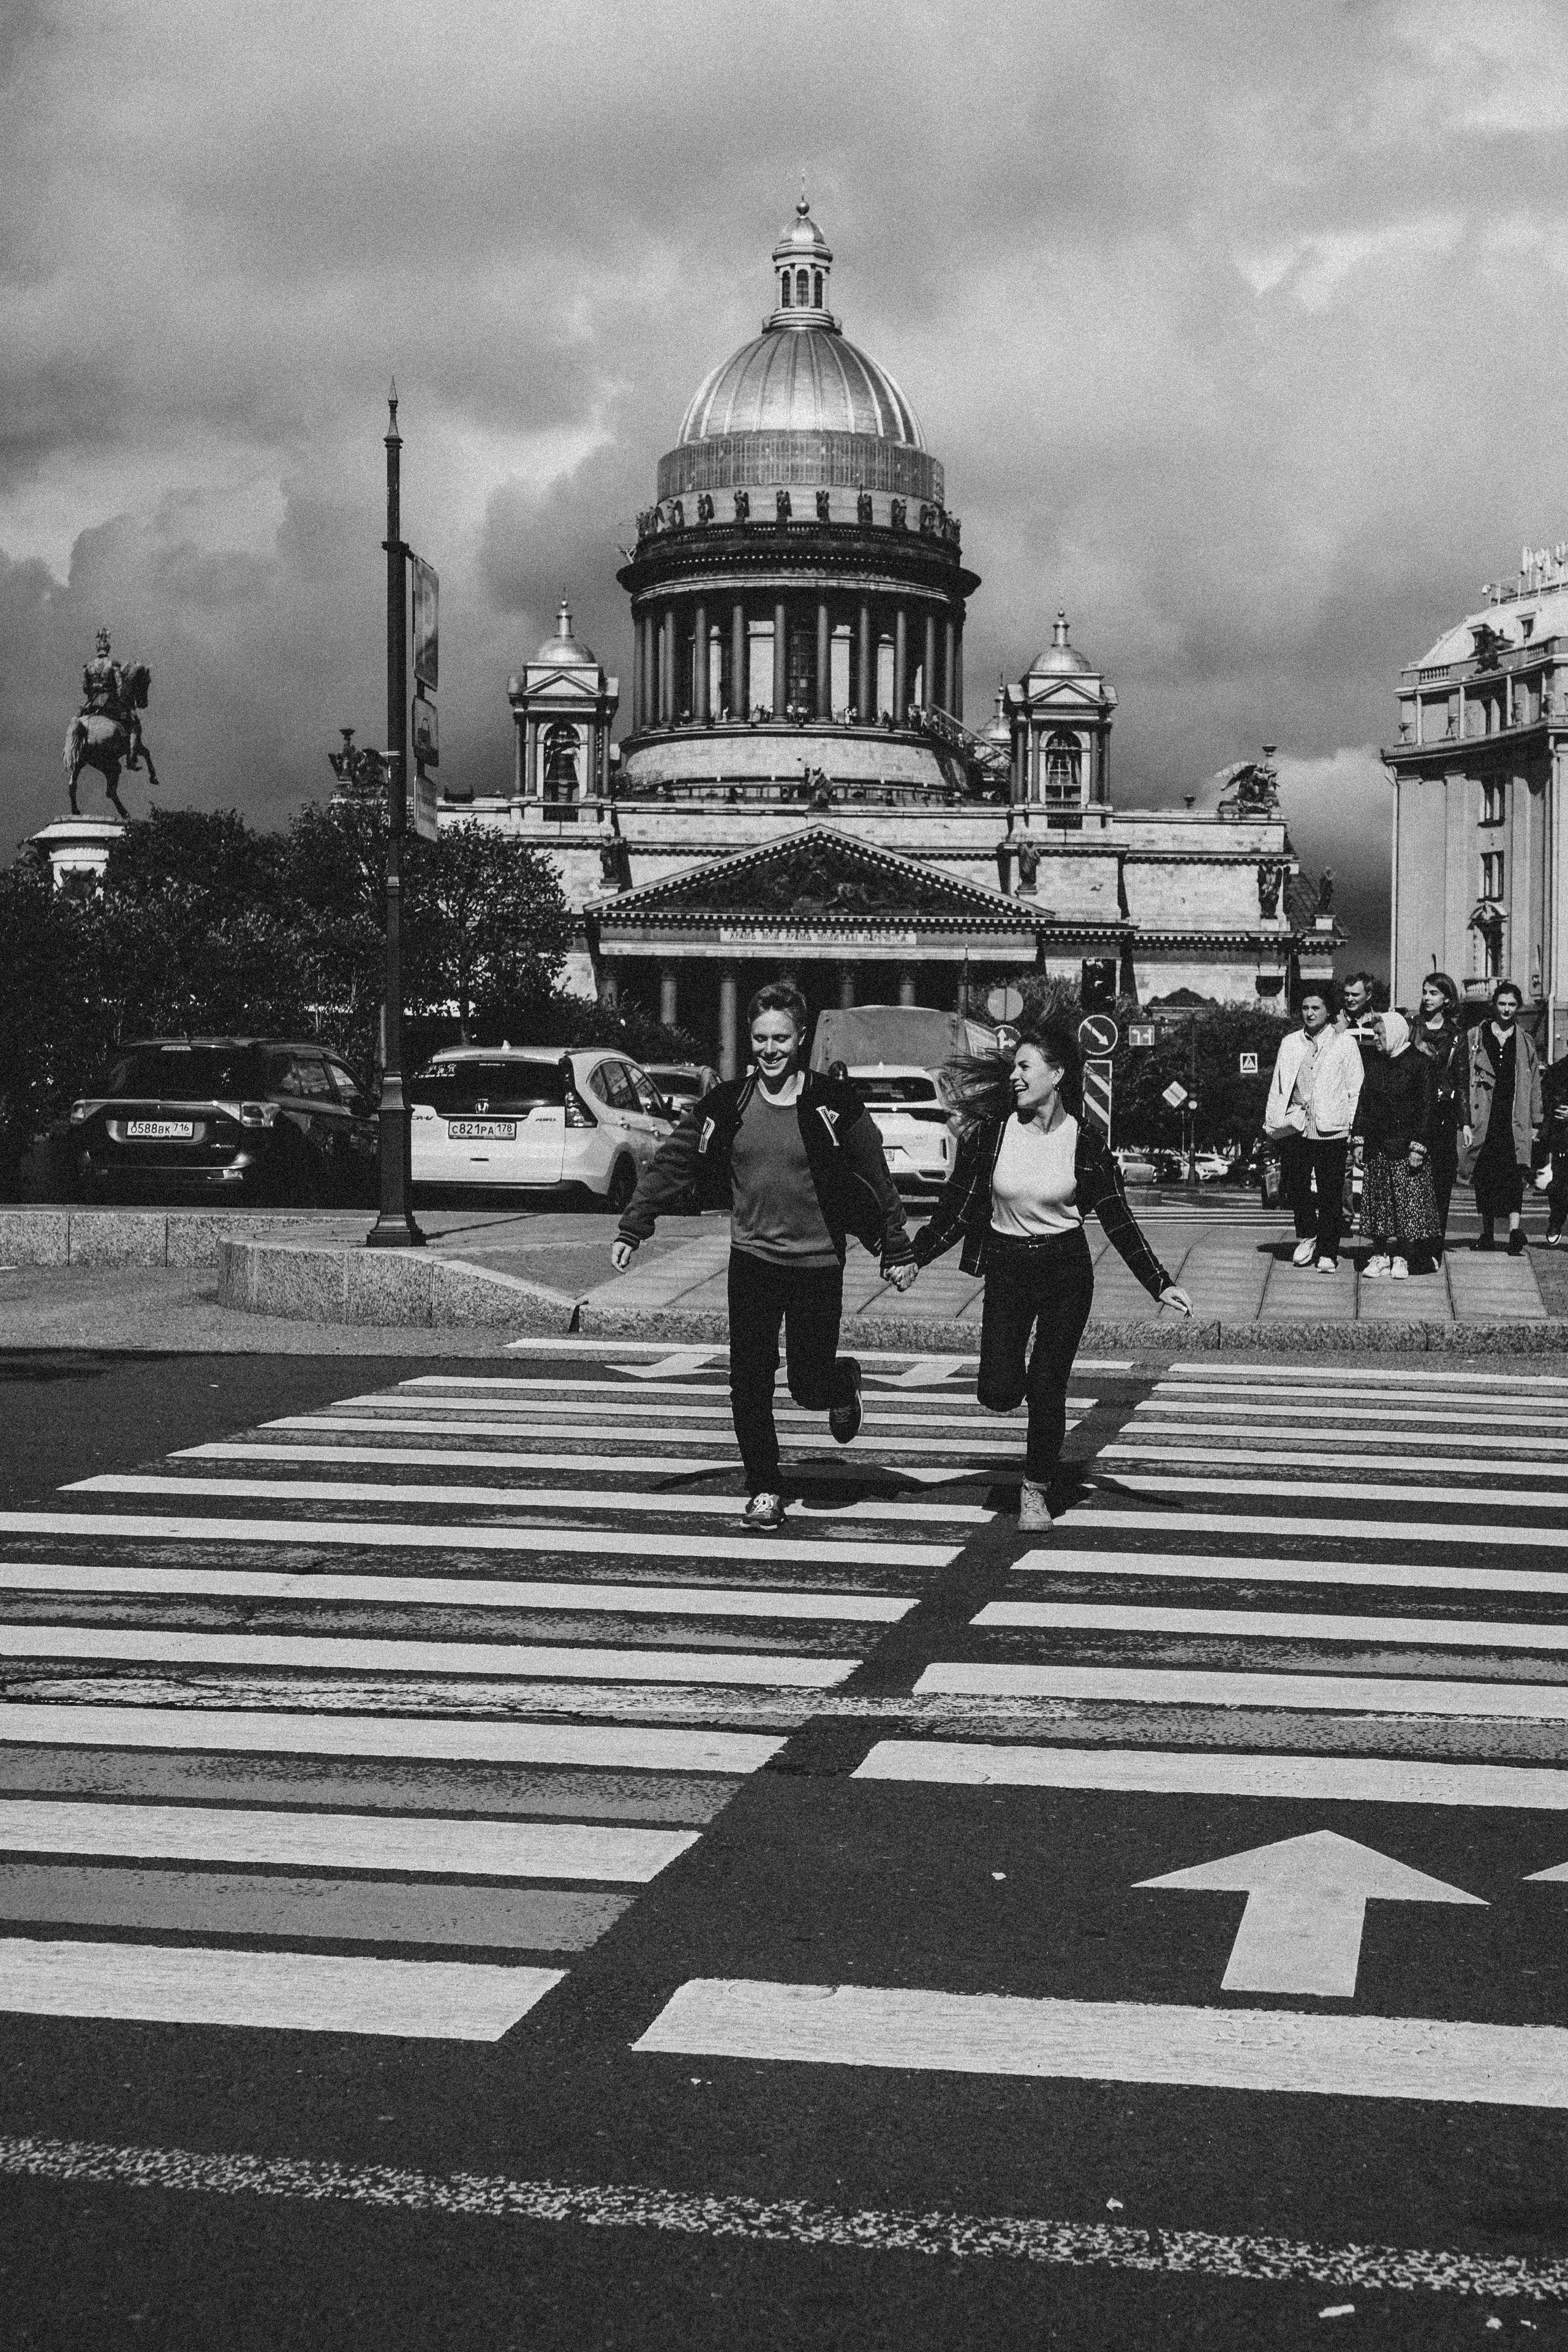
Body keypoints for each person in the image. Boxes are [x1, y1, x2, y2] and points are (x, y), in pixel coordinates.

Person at [609, 980, 916, 1531]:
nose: (769, 1049)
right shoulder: (728, 1104)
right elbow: (675, 1160)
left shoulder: (832, 1102)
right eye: (759, 1039)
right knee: (749, 1378)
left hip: (818, 1262)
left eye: (780, 1038)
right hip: (752, 1260)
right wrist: (635, 1226)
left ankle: (841, 1383)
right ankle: (765, 1486)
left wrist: (894, 1244)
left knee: (807, 1383)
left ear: (799, 1039)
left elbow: (873, 1174)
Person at [911, 1021, 1192, 1532]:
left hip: (1064, 1269)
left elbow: (1117, 1216)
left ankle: (1036, 1489)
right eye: (1014, 1067)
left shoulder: (1083, 1140)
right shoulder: (992, 1133)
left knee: (1047, 1385)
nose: (1015, 1077)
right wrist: (915, 1256)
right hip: (1007, 1268)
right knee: (997, 1391)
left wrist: (1160, 1282)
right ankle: (1019, 1416)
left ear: (1056, 1075)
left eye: (1025, 1067)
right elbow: (957, 1208)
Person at [1262, 984, 1364, 1272]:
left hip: (1332, 1128)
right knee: (1295, 1185)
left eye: (1315, 1008)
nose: (1309, 1013)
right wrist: (1272, 1123)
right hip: (1295, 1126)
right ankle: (1308, 1235)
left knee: (1332, 1191)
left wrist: (1356, 1132)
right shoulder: (1290, 1042)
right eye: (1305, 1008)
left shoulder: (1345, 1044)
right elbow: (1278, 1086)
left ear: (1328, 1011)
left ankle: (1329, 1250)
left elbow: (1356, 1089)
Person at [1354, 1012, 1441, 1278]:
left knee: (1406, 1205)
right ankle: (1380, 1255)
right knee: (1379, 1204)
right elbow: (1364, 1102)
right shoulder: (1376, 1063)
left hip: (1406, 1148)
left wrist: (1419, 1146)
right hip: (1378, 1146)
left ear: (1395, 1034)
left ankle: (1403, 1256)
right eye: (1375, 1034)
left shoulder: (1420, 1064)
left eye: (1380, 1035)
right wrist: (1358, 1140)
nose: (1376, 1039)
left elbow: (1427, 1108)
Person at [1460, 979, 1542, 1253]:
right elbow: (1466, 1077)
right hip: (1485, 1115)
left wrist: (1536, 1121)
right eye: (1502, 1004)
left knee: (1514, 1173)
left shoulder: (1526, 1041)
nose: (1507, 1010)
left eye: (1512, 1005)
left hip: (1514, 1118)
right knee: (1485, 1175)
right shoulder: (1477, 1036)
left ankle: (1516, 1231)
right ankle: (1487, 1233)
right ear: (1494, 1005)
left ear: (1518, 1007)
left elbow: (1534, 1084)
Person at [1412, 971, 1463, 1254]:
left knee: (1442, 1181)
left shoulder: (1456, 1036)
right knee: (1414, 1178)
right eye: (1425, 992)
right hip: (1415, 1112)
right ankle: (1414, 1240)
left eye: (1433, 993)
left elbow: (1461, 1078)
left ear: (1446, 998)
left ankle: (1434, 1245)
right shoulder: (1413, 1028)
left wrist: (1465, 1122)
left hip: (1443, 1115)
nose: (1427, 998)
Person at [1534, 1042, 1568, 1244]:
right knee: (1560, 1187)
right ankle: (1556, 1219)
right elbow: (1546, 1103)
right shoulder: (1557, 1071)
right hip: (1563, 1137)